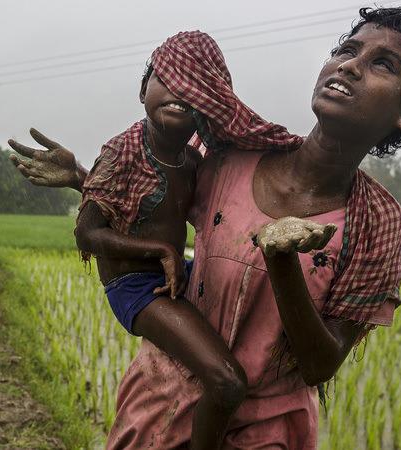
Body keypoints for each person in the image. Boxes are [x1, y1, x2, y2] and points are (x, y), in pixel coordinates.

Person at [9, 6, 401, 448]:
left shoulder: (376, 223)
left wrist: (281, 259)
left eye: (382, 63)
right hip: (162, 405)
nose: (349, 66)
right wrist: (83, 180)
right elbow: (152, 206)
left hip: (268, 430)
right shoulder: (233, 161)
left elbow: (319, 364)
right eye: (347, 50)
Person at [69, 31, 335, 449]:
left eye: (193, 89)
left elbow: (206, 216)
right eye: (168, 80)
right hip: (136, 287)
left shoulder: (194, 161)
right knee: (227, 382)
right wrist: (161, 251)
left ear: (207, 108)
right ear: (143, 89)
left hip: (176, 273)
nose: (179, 94)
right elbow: (87, 232)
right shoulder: (123, 152)